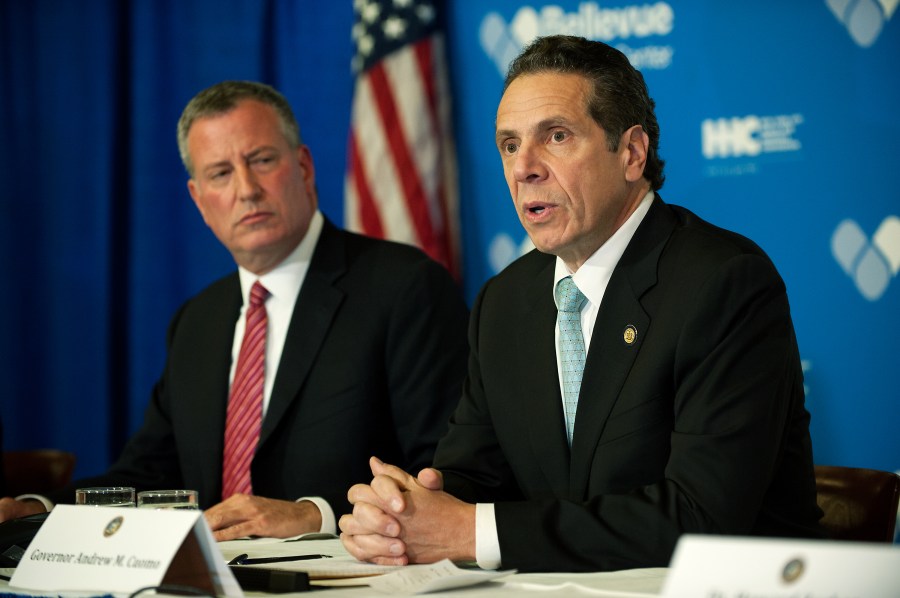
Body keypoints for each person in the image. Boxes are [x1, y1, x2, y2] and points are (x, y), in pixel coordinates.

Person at [339, 35, 823, 572]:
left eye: (557, 136)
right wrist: (406, 511)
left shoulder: (722, 282)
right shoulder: (505, 301)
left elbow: (701, 515)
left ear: (632, 153)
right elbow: (476, 475)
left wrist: (470, 530)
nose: (524, 167)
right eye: (508, 145)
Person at [0, 81, 469, 541]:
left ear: (304, 168)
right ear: (200, 200)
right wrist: (37, 511)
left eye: (262, 161)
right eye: (221, 173)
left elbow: (441, 467)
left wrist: (314, 515)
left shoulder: (404, 287)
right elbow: (148, 475)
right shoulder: (197, 322)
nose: (246, 189)